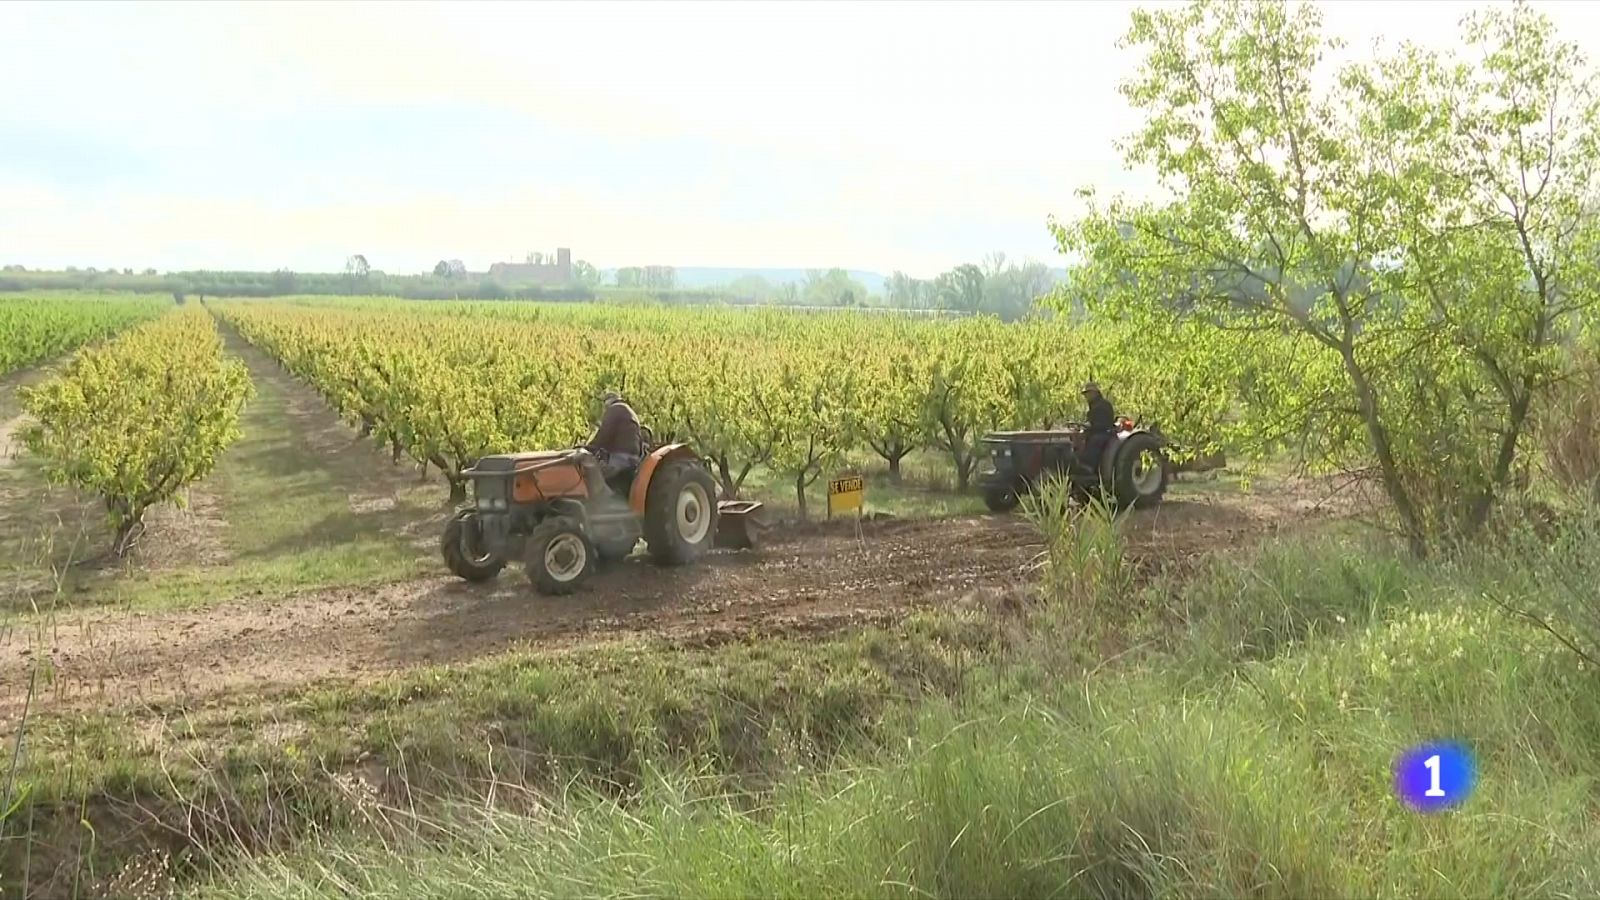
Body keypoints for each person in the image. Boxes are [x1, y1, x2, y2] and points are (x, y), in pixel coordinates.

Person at [585, 391, 643, 486]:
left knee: (593, 478)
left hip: (619, 458)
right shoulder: (630, 412)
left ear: (609, 401)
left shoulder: (615, 409)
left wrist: (588, 448)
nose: (604, 407)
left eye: (604, 402)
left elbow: (604, 434)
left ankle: (605, 500)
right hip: (633, 459)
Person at [1082, 382, 1117, 470]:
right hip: (1095, 431)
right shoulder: (1093, 405)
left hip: (1104, 433)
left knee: (1095, 441)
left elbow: (1103, 424)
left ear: (1094, 393)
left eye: (1088, 393)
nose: (1086, 396)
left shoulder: (1103, 405)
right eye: (1085, 394)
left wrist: (1089, 427)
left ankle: (1088, 467)